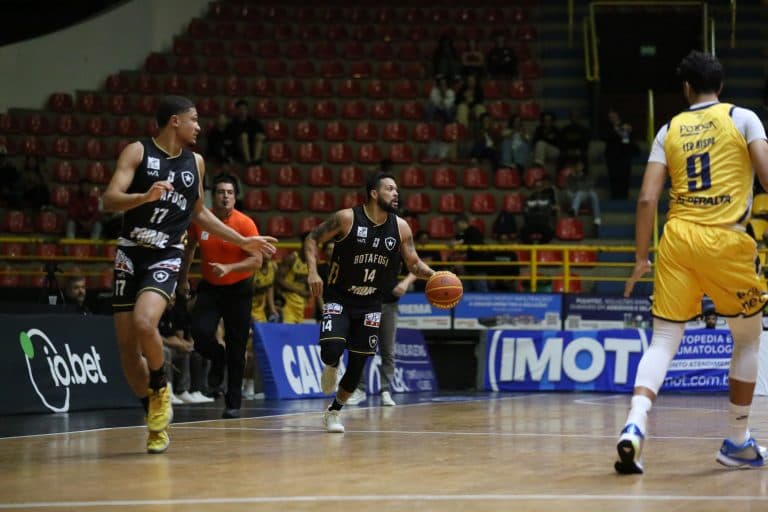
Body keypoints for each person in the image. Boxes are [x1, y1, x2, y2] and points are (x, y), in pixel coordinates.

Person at [618, 51, 768, 474]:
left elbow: (647, 198)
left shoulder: (669, 129)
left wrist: (641, 258)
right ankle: (738, 441)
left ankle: (634, 423)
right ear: (720, 86)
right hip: (729, 240)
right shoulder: (743, 117)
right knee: (747, 340)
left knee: (664, 340)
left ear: (686, 89)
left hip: (678, 239)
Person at [102, 95, 277, 454]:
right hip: (130, 252)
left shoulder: (195, 162)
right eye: (194, 119)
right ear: (174, 122)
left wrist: (245, 239)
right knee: (125, 350)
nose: (199, 126)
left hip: (166, 253)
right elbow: (109, 199)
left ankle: (161, 384)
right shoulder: (137, 152)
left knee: (144, 322)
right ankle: (154, 415)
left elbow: (199, 213)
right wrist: (143, 197)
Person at [305, 172, 438, 433]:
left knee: (358, 364)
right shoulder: (347, 218)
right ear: (374, 193)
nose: (396, 193)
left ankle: (333, 412)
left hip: (371, 303)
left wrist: (436, 276)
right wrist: (312, 271)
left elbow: (413, 262)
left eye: (397, 189)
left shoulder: (401, 228)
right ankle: (331, 364)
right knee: (331, 349)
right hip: (340, 297)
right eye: (390, 188)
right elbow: (312, 239)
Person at [180, 173, 263, 419]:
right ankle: (217, 357)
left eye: (229, 192)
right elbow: (190, 247)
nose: (225, 197)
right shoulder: (201, 220)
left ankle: (233, 402)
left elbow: (256, 261)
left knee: (237, 346)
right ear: (211, 196)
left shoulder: (245, 224)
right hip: (211, 287)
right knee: (200, 332)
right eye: (220, 192)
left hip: (239, 289)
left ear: (235, 197)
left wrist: (230, 268)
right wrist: (183, 278)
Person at [346, 270, 418, 407]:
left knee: (388, 350)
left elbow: (416, 267)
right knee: (359, 348)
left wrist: (405, 282)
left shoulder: (398, 248)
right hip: (365, 303)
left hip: (389, 305)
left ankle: (385, 390)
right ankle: (359, 388)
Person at [276, 232, 311, 324]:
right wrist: (298, 291)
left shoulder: (311, 262)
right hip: (288, 302)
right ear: (303, 243)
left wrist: (308, 292)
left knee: (298, 334)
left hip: (301, 303)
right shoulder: (292, 258)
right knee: (288, 332)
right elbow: (278, 280)